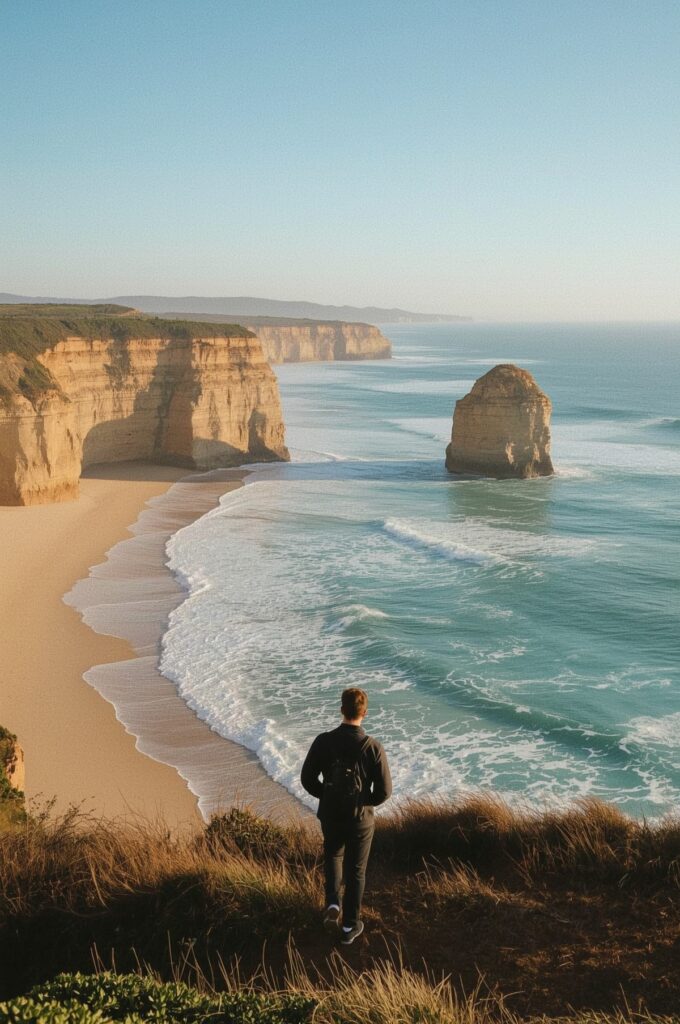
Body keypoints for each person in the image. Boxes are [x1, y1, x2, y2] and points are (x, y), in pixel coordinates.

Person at [300, 687, 392, 945]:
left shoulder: (323, 741)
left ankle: (332, 902)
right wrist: (364, 802)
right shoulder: (373, 747)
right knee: (356, 870)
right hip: (360, 819)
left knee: (333, 854)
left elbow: (307, 779)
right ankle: (350, 926)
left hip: (330, 814)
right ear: (365, 713)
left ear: (341, 710)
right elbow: (385, 791)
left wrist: (327, 796)